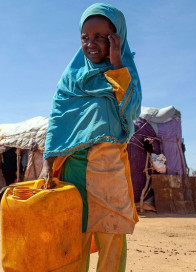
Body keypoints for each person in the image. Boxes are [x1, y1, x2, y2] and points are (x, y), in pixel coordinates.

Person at [39, 3, 142, 271]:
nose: (91, 44)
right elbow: (58, 120)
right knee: (74, 240)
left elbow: (130, 110)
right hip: (73, 170)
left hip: (109, 169)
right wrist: (48, 162)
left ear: (116, 37)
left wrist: (117, 63)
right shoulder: (70, 79)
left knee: (112, 235)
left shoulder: (124, 73)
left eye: (100, 37)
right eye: (85, 38)